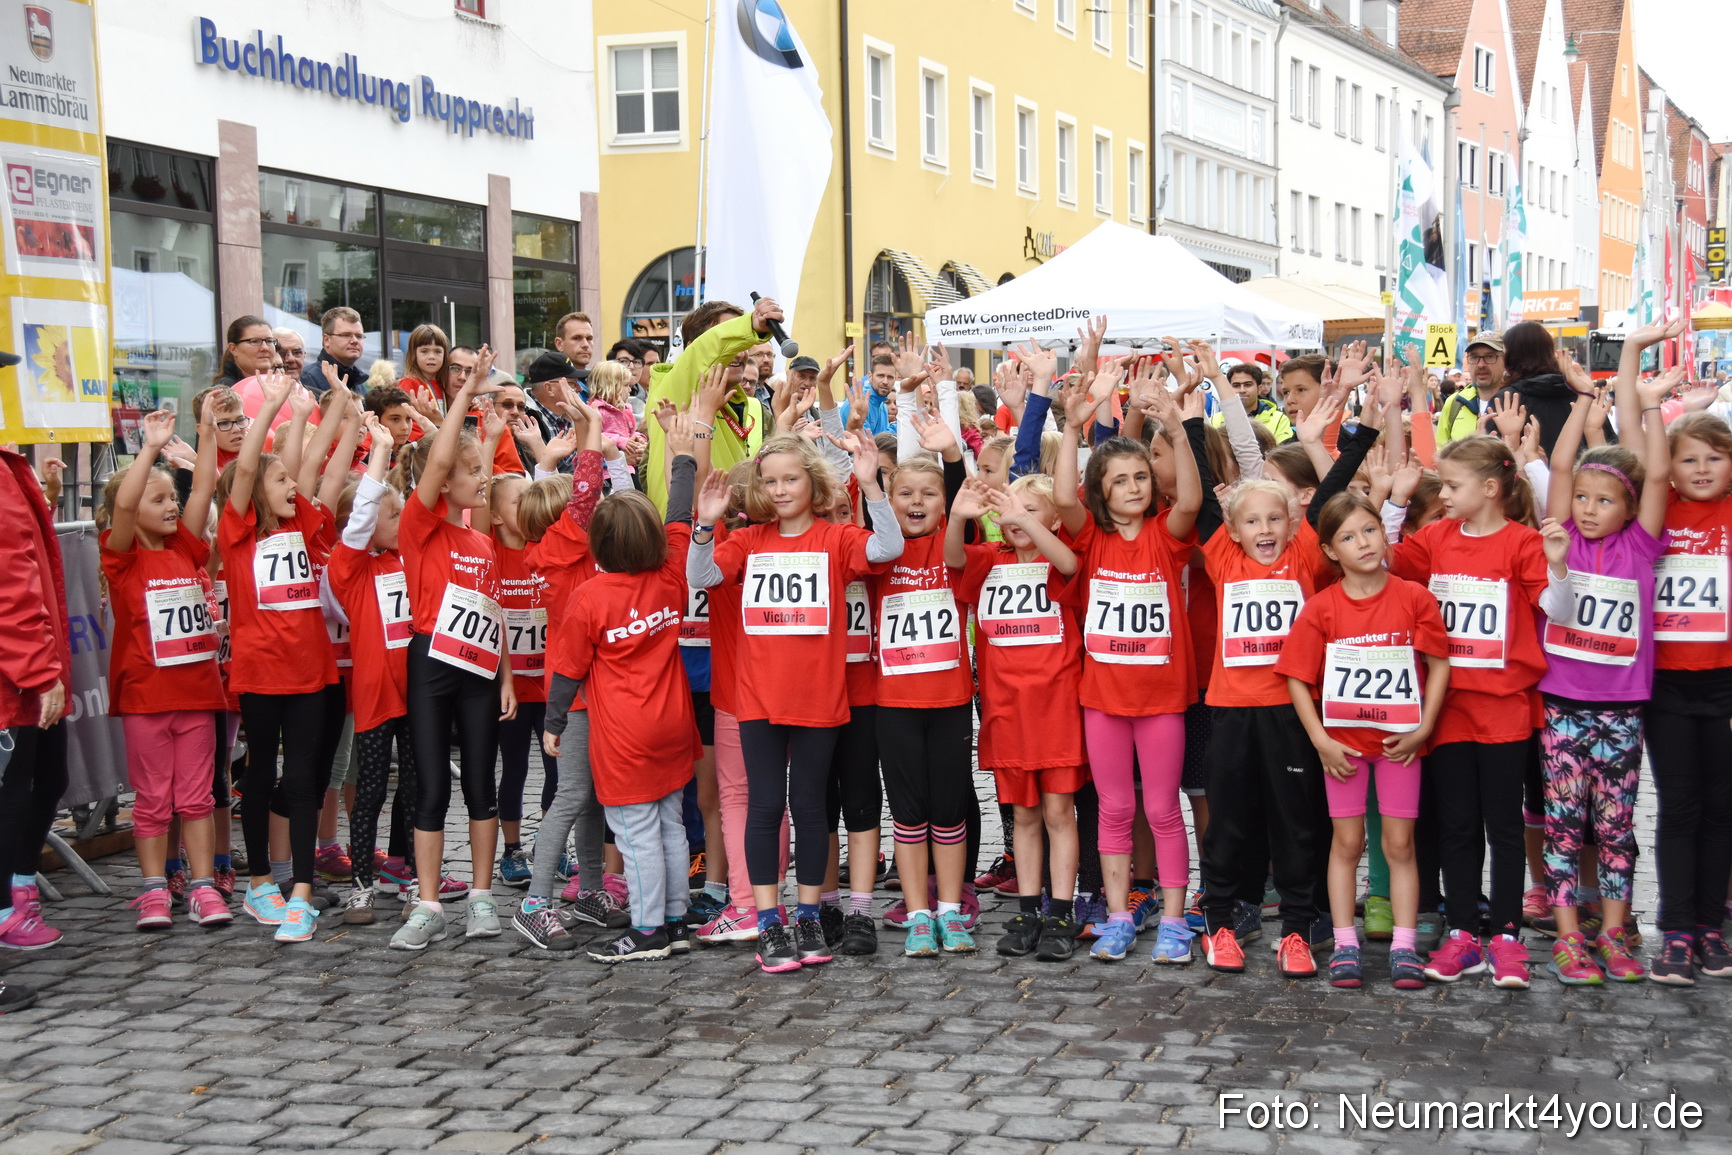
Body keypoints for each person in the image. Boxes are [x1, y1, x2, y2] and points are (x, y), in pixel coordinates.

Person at [688, 430, 904, 973]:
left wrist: (872, 484)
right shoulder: (749, 539)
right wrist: (705, 525)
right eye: (770, 481)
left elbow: (887, 549)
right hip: (758, 698)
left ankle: (808, 915)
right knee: (764, 807)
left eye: (790, 479)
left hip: (819, 698)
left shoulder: (836, 538)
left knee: (810, 809)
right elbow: (704, 576)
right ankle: (768, 922)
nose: (780, 490)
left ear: (813, 480)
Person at [1047, 364, 1201, 963]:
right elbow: (1062, 497)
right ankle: (1116, 915)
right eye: (1120, 481)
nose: (1134, 487)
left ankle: (1173, 920)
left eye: (1141, 476)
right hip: (1104, 699)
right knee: (1114, 808)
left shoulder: (1167, 534)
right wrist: (1070, 424)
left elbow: (1189, 498)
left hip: (1161, 698)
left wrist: (1177, 430)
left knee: (1162, 809)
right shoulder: (1091, 538)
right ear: (1101, 492)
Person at [1534, 341, 1672, 985]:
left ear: (1629, 507)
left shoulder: (1641, 546)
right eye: (1582, 498)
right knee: (1565, 829)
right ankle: (1568, 938)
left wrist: (1650, 407)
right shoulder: (1560, 536)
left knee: (1614, 828)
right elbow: (1562, 466)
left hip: (1621, 712)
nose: (1588, 509)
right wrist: (1585, 401)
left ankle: (1615, 934)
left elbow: (1657, 475)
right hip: (1563, 706)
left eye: (1603, 501)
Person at [1390, 435, 1550, 990]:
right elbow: (1389, 563)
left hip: (1504, 707)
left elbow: (1555, 607)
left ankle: (1506, 935)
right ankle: (1461, 931)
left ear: (1489, 489)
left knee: (1503, 826)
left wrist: (1557, 565)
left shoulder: (1523, 543)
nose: (1444, 493)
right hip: (1448, 707)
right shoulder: (1435, 536)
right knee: (1458, 825)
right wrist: (1394, 502)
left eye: (1452, 485)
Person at [1279, 492, 1450, 991]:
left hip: (1401, 745)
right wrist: (1321, 741)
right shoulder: (1321, 608)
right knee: (1347, 843)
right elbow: (1296, 676)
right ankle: (1345, 943)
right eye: (1348, 538)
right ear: (1331, 552)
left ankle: (1402, 945)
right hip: (1344, 750)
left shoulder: (1414, 598)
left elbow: (1439, 664)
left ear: (1384, 531)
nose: (1364, 543)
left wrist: (1424, 728)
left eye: (1370, 530)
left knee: (1400, 845)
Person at [547, 420, 701, 963]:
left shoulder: (589, 597)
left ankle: (646, 929)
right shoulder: (671, 575)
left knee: (635, 833)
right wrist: (682, 458)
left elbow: (566, 671)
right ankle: (678, 919)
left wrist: (554, 724)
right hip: (674, 722)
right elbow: (680, 513)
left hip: (625, 734)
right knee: (671, 824)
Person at [391, 347, 516, 950]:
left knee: (481, 787)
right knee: (432, 784)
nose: (482, 480)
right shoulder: (422, 527)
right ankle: (428, 901)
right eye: (473, 475)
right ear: (442, 484)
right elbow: (440, 461)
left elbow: (494, 612)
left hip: (481, 670)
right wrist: (464, 396)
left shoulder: (481, 541)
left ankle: (483, 896)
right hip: (431, 663)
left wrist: (509, 677)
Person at [218, 372, 343, 942]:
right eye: (281, 481)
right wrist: (267, 411)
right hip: (260, 672)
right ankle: (260, 883)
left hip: (311, 672)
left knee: (301, 781)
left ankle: (300, 892)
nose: (292, 484)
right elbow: (248, 470)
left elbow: (313, 463)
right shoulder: (237, 532)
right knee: (261, 777)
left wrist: (334, 405)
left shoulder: (300, 521)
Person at [100, 407, 233, 932]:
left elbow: (201, 493)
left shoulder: (185, 547)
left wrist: (202, 433)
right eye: (159, 499)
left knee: (197, 797)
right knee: (154, 800)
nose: (171, 504)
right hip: (146, 698)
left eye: (169, 496)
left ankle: (202, 887)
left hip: (198, 694)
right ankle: (154, 890)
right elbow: (128, 502)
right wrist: (149, 450)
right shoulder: (123, 556)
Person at [949, 474, 1087, 962]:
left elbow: (1070, 562)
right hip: (1007, 713)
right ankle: (1029, 907)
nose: (1017, 517)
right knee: (1023, 816)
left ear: (1053, 518)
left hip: (1058, 709)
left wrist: (1030, 519)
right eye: (1009, 510)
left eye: (1030, 509)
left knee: (1058, 813)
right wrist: (960, 516)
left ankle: (1062, 910)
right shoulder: (989, 561)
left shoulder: (1060, 559)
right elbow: (953, 558)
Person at [870, 416, 977, 957]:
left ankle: (952, 911)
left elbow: (966, 507)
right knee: (908, 813)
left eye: (928, 494)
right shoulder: (878, 553)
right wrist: (869, 479)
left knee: (950, 810)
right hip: (893, 705)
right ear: (887, 502)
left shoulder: (956, 547)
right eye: (904, 493)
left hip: (951, 701)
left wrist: (953, 457)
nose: (917, 501)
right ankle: (917, 914)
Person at [325, 415, 415, 926]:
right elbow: (361, 520)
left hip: (419, 693)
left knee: (420, 788)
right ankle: (361, 883)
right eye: (392, 514)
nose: (401, 520)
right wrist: (379, 454)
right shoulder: (353, 569)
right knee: (373, 790)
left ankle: (410, 876)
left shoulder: (412, 558)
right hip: (377, 696)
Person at [0, 432, 72, 983]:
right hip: (17, 674)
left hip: (28, 665)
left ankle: (19, 884)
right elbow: (11, 583)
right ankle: (8, 905)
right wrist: (39, 670)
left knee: (46, 777)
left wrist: (45, 498)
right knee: (16, 789)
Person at [644, 297, 787, 514]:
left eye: (744, 344)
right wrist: (751, 325)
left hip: (729, 533)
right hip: (685, 537)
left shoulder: (736, 401)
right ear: (693, 349)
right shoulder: (674, 390)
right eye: (731, 341)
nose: (740, 352)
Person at [1437, 332, 1503, 445]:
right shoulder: (1454, 403)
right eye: (1475, 357)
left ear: (1505, 361)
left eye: (1490, 356)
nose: (1481, 364)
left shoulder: (1518, 403)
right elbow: (1440, 454)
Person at [1213, 361, 1293, 444]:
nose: (1242, 390)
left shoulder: (1279, 419)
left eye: (1248, 385)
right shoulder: (1215, 420)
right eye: (1236, 385)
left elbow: (1283, 452)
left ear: (1259, 389)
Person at [302, 306, 367, 395]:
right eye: (346, 335)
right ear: (326, 340)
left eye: (359, 336)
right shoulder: (309, 378)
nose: (355, 341)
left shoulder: (358, 383)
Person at [216, 316, 278, 386]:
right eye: (255, 341)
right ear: (233, 349)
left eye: (269, 341)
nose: (265, 348)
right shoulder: (225, 392)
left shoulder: (282, 386)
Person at [553, 312, 596, 387]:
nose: (585, 344)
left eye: (589, 339)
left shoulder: (600, 382)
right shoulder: (553, 384)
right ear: (559, 344)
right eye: (576, 338)